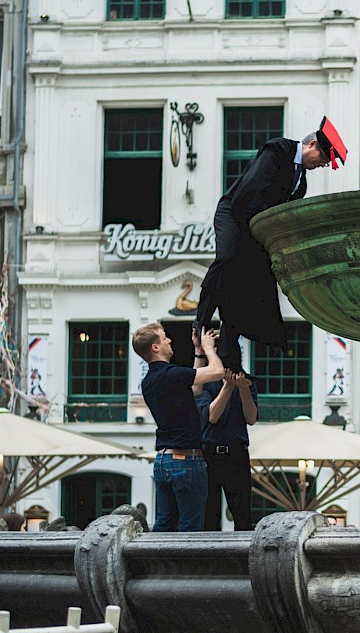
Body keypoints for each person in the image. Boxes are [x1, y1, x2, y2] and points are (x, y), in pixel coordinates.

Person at [196, 117, 347, 374]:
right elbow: (250, 192)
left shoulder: (302, 181)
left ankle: (230, 356)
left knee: (251, 286)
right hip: (235, 215)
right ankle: (200, 321)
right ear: (312, 145)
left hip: (257, 227)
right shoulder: (278, 151)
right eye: (322, 159)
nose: (321, 165)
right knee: (227, 260)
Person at [132, 323, 225, 531]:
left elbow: (194, 389)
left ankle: (152, 562)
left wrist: (198, 353)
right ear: (156, 347)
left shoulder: (149, 381)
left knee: (164, 522)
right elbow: (218, 371)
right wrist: (209, 348)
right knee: (191, 526)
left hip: (163, 461)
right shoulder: (171, 374)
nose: (170, 340)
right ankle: (186, 565)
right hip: (186, 460)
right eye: (164, 338)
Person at [195, 367, 258, 531]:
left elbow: (251, 418)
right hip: (209, 454)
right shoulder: (207, 382)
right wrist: (229, 385)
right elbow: (212, 416)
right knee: (209, 517)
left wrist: (244, 389)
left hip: (237, 453)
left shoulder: (247, 381)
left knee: (243, 515)